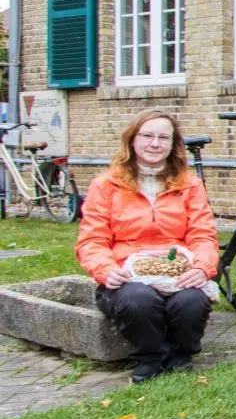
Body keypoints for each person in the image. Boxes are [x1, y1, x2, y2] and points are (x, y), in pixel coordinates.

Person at [75, 109, 218, 384]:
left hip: (176, 267)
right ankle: (150, 358)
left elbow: (203, 235)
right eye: (148, 136)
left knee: (192, 300)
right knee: (139, 300)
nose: (155, 144)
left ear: (173, 145)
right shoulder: (105, 186)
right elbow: (92, 240)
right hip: (127, 273)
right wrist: (106, 270)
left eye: (164, 138)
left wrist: (201, 268)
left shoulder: (190, 185)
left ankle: (180, 356)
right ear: (132, 140)